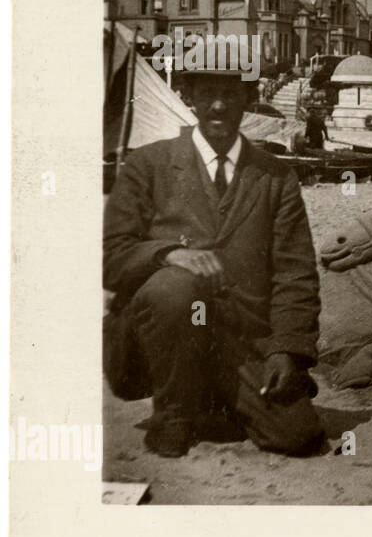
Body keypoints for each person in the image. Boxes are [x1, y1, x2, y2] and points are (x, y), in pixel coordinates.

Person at [103, 70, 324, 458]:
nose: (218, 105)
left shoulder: (277, 177)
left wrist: (285, 351)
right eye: (207, 94)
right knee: (176, 288)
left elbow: (296, 274)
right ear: (190, 97)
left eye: (230, 94)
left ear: (248, 98)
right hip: (165, 332)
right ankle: (172, 415)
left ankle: (209, 398)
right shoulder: (148, 164)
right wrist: (168, 254)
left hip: (238, 340)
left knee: (297, 434)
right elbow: (112, 256)